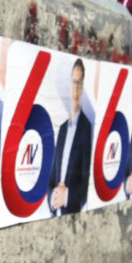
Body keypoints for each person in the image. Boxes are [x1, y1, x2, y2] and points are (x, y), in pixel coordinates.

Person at [48, 58, 92, 215]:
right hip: (54, 213)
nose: (76, 88)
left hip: (73, 214)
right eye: (74, 82)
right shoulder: (62, 129)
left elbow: (88, 180)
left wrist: (67, 197)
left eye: (80, 82)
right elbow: (52, 177)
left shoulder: (88, 128)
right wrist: (52, 197)